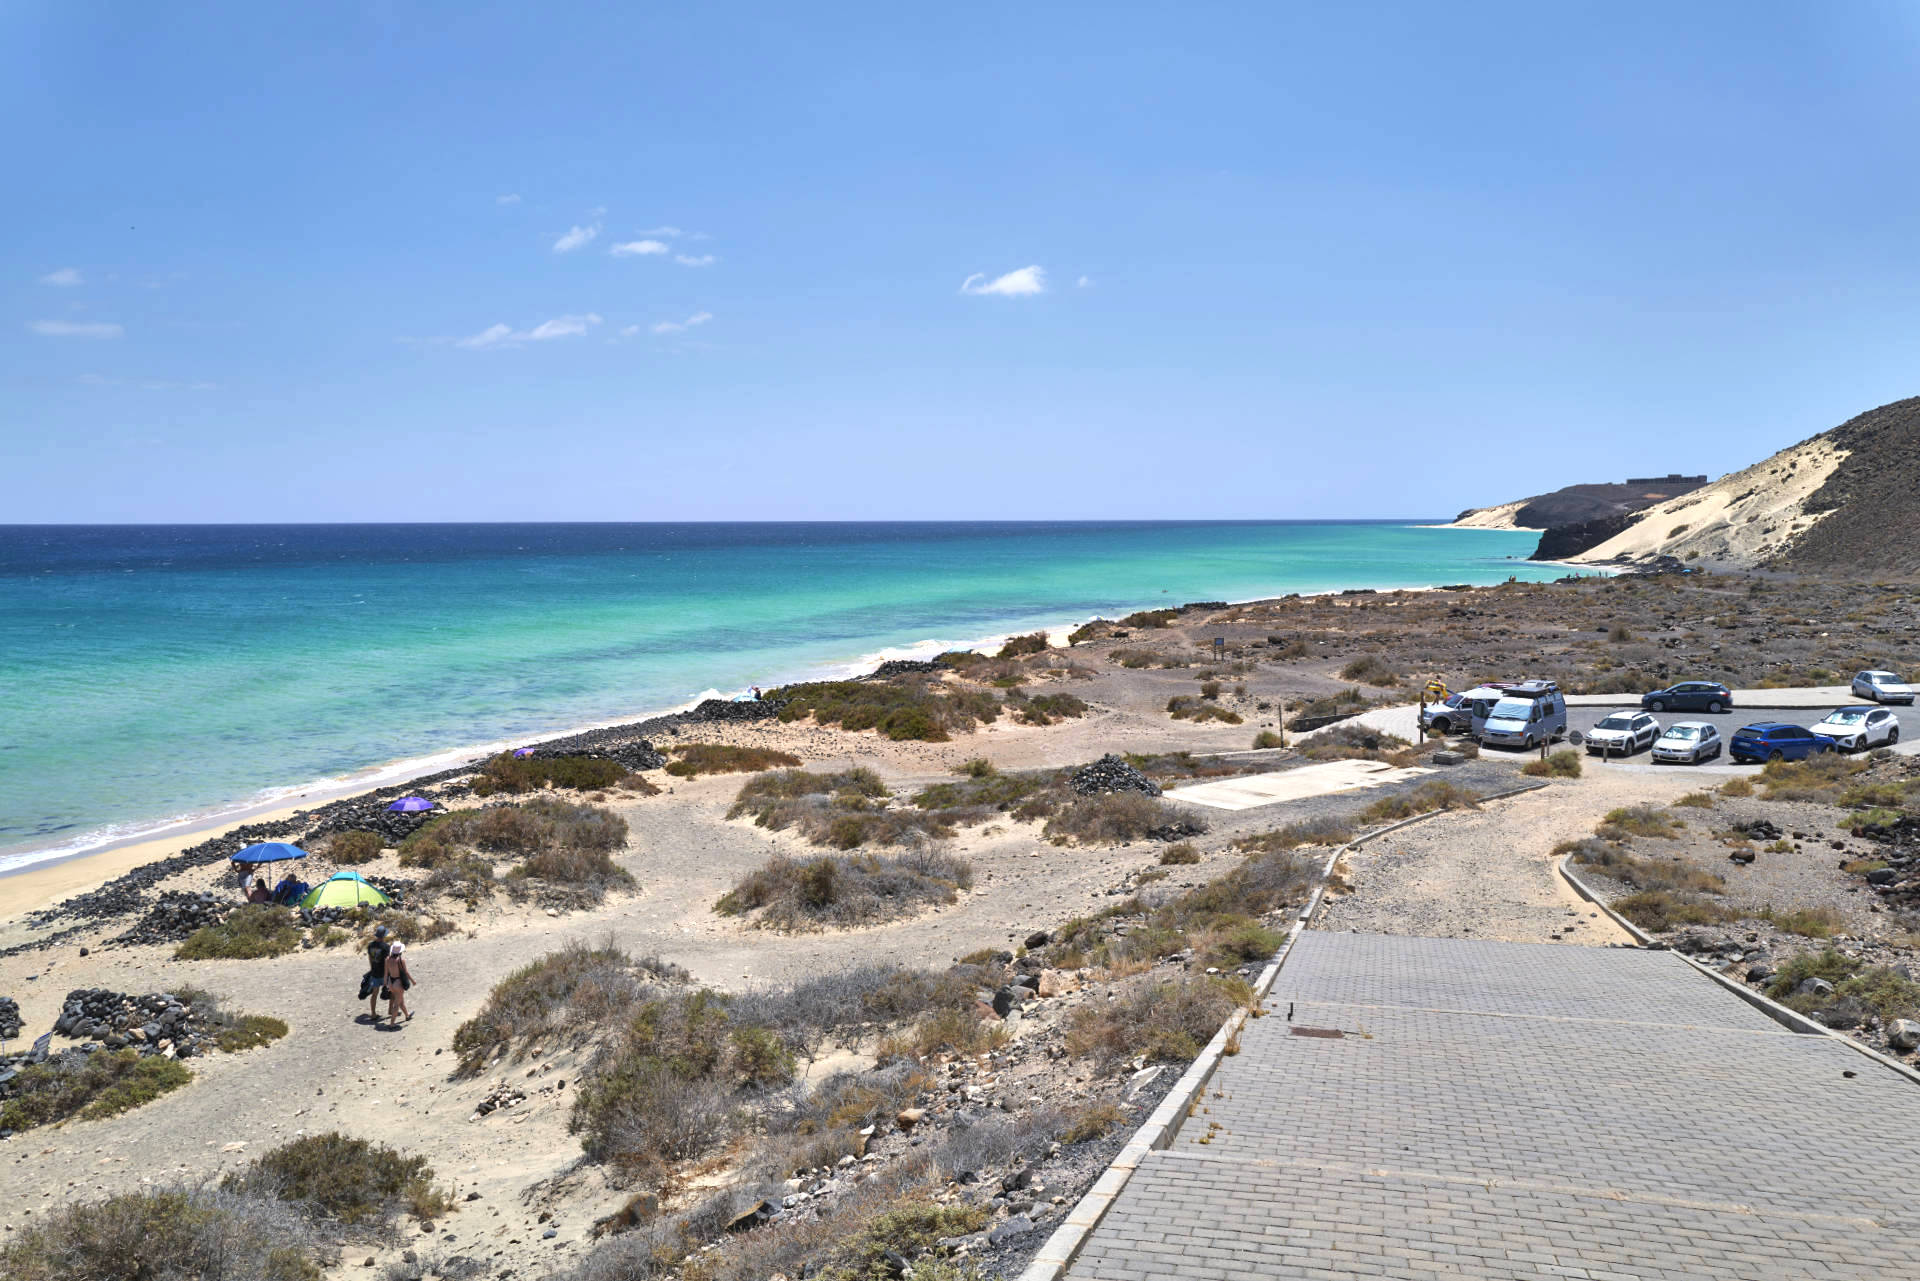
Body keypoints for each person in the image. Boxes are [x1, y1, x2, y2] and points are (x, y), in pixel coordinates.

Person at [383, 940, 414, 1024]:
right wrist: (413, 981)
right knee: (397, 1004)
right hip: (398, 983)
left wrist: (385, 984)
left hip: (391, 982)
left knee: (400, 1001)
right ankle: (392, 1024)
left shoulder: (387, 959)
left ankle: (407, 1015)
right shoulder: (401, 960)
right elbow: (406, 972)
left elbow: (386, 973)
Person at [363, 926, 391, 1021]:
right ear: (384, 935)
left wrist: (372, 968)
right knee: (392, 990)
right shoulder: (386, 947)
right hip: (384, 973)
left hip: (375, 972)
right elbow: (387, 961)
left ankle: (373, 1013)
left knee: (374, 993)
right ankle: (391, 1010)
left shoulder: (370, 945)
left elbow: (370, 958)